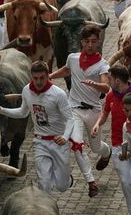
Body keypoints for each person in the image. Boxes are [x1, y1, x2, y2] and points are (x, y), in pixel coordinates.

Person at [49, 25, 111, 197]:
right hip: (74, 109)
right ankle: (91, 182)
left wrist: (95, 84)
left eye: (93, 42)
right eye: (86, 42)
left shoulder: (102, 64)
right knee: (76, 144)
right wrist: (51, 76)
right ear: (81, 42)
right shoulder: (73, 58)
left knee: (96, 147)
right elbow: (67, 70)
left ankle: (107, 153)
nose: (89, 45)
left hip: (94, 111)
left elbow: (106, 87)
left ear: (98, 42)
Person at [0, 61, 74, 194]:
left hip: (59, 143)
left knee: (62, 186)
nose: (38, 82)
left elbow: (71, 119)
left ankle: (66, 179)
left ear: (48, 76)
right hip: (40, 143)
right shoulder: (26, 90)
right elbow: (23, 112)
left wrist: (65, 137)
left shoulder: (58, 94)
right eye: (35, 78)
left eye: (42, 78)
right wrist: (1, 109)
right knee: (44, 183)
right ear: (31, 77)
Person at [92, 65, 131, 214]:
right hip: (117, 145)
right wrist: (97, 124)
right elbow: (104, 114)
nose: (108, 81)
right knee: (125, 181)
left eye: (109, 78)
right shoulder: (111, 95)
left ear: (117, 80)